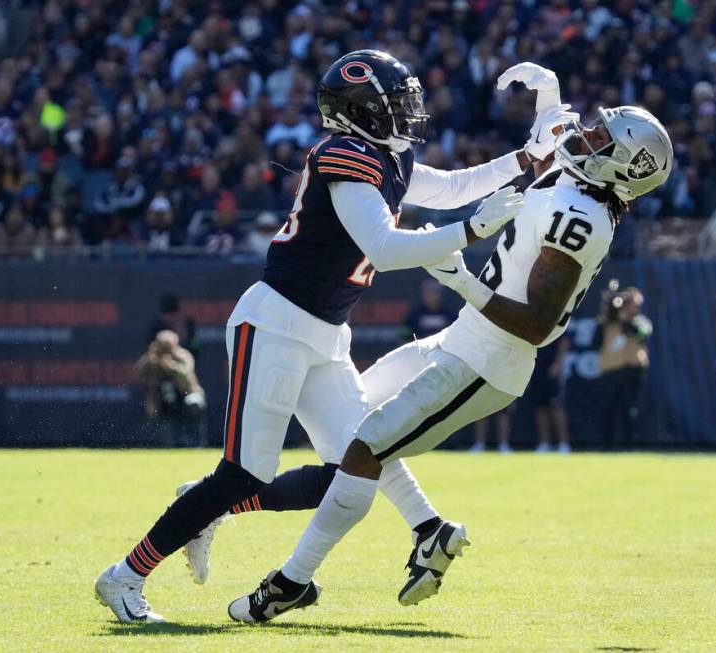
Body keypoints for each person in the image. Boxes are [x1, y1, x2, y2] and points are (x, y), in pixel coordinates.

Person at [95, 52, 570, 624]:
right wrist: (474, 228)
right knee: (244, 471)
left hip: (325, 331)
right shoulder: (344, 156)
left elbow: (449, 186)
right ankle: (124, 576)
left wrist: (525, 158)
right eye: (394, 103)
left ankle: (206, 509)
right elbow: (385, 248)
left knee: (352, 464)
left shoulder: (383, 157)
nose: (406, 113)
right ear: (361, 110)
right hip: (276, 323)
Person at [227, 103, 674, 623]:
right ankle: (430, 531)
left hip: (489, 361)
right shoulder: (573, 178)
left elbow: (536, 326)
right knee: (351, 426)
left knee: (363, 449)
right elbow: (526, 164)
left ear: (624, 167)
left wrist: (462, 281)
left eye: (602, 135)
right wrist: (547, 103)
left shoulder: (582, 219)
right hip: (462, 338)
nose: (586, 134)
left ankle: (289, 583)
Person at [596, 286, 652, 450]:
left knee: (629, 408)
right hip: (610, 371)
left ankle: (629, 446)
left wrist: (625, 320)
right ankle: (606, 446)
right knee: (607, 408)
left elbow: (643, 334)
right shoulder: (606, 323)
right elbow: (596, 342)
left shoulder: (642, 322)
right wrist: (611, 312)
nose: (631, 307)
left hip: (633, 370)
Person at [135, 330, 207, 448]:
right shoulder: (153, 359)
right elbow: (139, 373)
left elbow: (186, 374)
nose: (165, 349)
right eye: (162, 345)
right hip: (165, 400)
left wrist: (171, 366)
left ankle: (196, 443)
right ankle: (171, 443)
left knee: (195, 403)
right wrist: (150, 356)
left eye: (168, 345)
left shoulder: (183, 356)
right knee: (160, 410)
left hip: (186, 394)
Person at [526, 338, 571, 454]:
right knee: (539, 408)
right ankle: (545, 442)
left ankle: (563, 443)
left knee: (556, 406)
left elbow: (565, 341)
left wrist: (558, 363)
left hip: (552, 369)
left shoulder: (554, 321)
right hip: (534, 369)